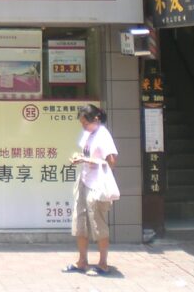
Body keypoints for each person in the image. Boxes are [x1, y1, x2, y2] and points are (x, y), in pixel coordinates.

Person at [66, 103, 118, 276]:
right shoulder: (89, 134)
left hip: (97, 186)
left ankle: (103, 264)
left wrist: (87, 160)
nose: (83, 126)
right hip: (84, 181)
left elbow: (111, 162)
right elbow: (88, 155)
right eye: (82, 123)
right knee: (80, 222)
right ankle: (82, 261)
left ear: (95, 119)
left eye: (85, 123)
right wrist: (80, 157)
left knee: (98, 224)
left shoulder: (103, 134)